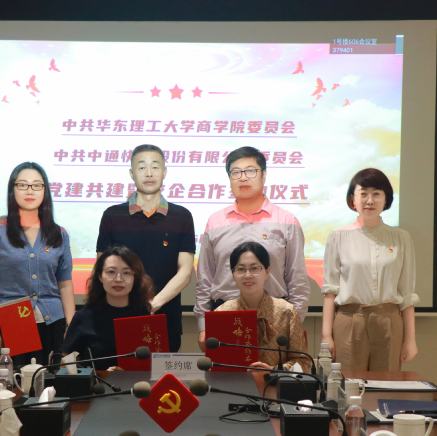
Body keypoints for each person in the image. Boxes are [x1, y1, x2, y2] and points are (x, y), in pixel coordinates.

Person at [195, 146, 310, 351]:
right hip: (224, 315)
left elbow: (297, 279)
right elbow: (205, 279)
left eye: (250, 171)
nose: (243, 177)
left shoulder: (286, 221)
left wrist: (294, 322)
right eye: (236, 172)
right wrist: (204, 326)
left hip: (275, 317)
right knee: (228, 371)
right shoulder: (215, 221)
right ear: (229, 178)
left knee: (273, 371)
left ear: (264, 175)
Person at [97, 144, 195, 352]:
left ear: (164, 172)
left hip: (166, 321)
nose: (149, 173)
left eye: (155, 167)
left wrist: (153, 304)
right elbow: (103, 269)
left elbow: (185, 271)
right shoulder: (112, 215)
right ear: (132, 173)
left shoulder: (182, 216)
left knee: (162, 373)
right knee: (117, 372)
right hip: (118, 319)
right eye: (142, 167)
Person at [0, 162, 75, 367]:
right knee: (11, 382)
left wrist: (71, 328)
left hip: (52, 323)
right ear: (12, 190)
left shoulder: (59, 234)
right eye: (22, 185)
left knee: (50, 382)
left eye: (37, 185)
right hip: (10, 322)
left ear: (45, 191)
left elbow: (65, 285)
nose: (30, 190)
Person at [321, 168, 419, 371]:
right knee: (347, 383)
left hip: (388, 321)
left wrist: (410, 340)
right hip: (349, 319)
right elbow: (330, 291)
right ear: (352, 200)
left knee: (386, 384)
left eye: (376, 194)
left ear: (386, 199)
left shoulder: (401, 238)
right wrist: (326, 335)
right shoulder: (338, 236)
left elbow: (407, 294)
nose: (370, 200)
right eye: (363, 194)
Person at [54, 245, 154, 370]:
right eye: (111, 272)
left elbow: (155, 366)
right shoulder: (83, 317)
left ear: (135, 277)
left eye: (126, 273)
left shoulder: (145, 318)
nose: (118, 279)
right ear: (100, 276)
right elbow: (66, 366)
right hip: (96, 382)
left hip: (137, 382)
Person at [215, 242, 311, 371]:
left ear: (267, 272)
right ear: (233, 274)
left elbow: (303, 362)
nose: (247, 275)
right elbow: (216, 363)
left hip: (276, 382)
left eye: (254, 268)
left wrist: (272, 371)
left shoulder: (287, 312)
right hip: (236, 382)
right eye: (241, 269)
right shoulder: (222, 313)